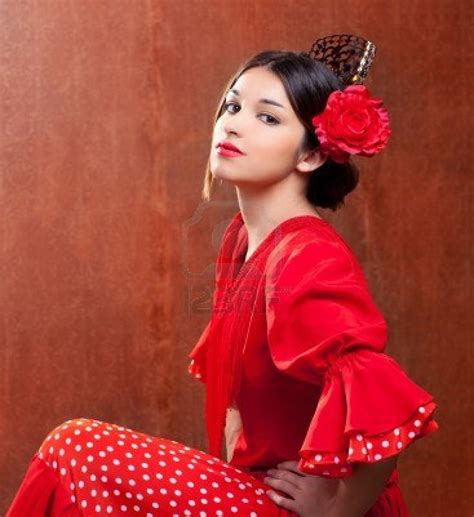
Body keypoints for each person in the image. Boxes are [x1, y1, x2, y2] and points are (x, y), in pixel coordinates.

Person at [7, 34, 439, 517]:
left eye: (267, 117)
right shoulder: (241, 240)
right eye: (232, 106)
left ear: (311, 155)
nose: (233, 125)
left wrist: (341, 506)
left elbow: (381, 395)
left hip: (306, 509)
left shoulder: (307, 254)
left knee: (78, 447)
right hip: (253, 490)